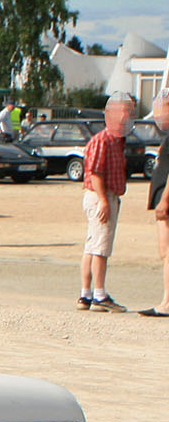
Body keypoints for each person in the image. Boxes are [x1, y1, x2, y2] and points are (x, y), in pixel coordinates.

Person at [77, 93, 135, 311]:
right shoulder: (103, 140)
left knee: (92, 246)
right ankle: (99, 294)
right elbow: (95, 173)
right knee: (101, 247)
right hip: (101, 196)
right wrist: (103, 200)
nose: (129, 116)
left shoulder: (117, 140)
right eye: (126, 111)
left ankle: (86, 294)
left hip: (106, 196)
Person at [144, 93, 169, 317]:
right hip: (163, 198)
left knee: (168, 252)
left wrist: (164, 200)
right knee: (164, 252)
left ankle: (167, 303)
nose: (158, 115)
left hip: (167, 201)